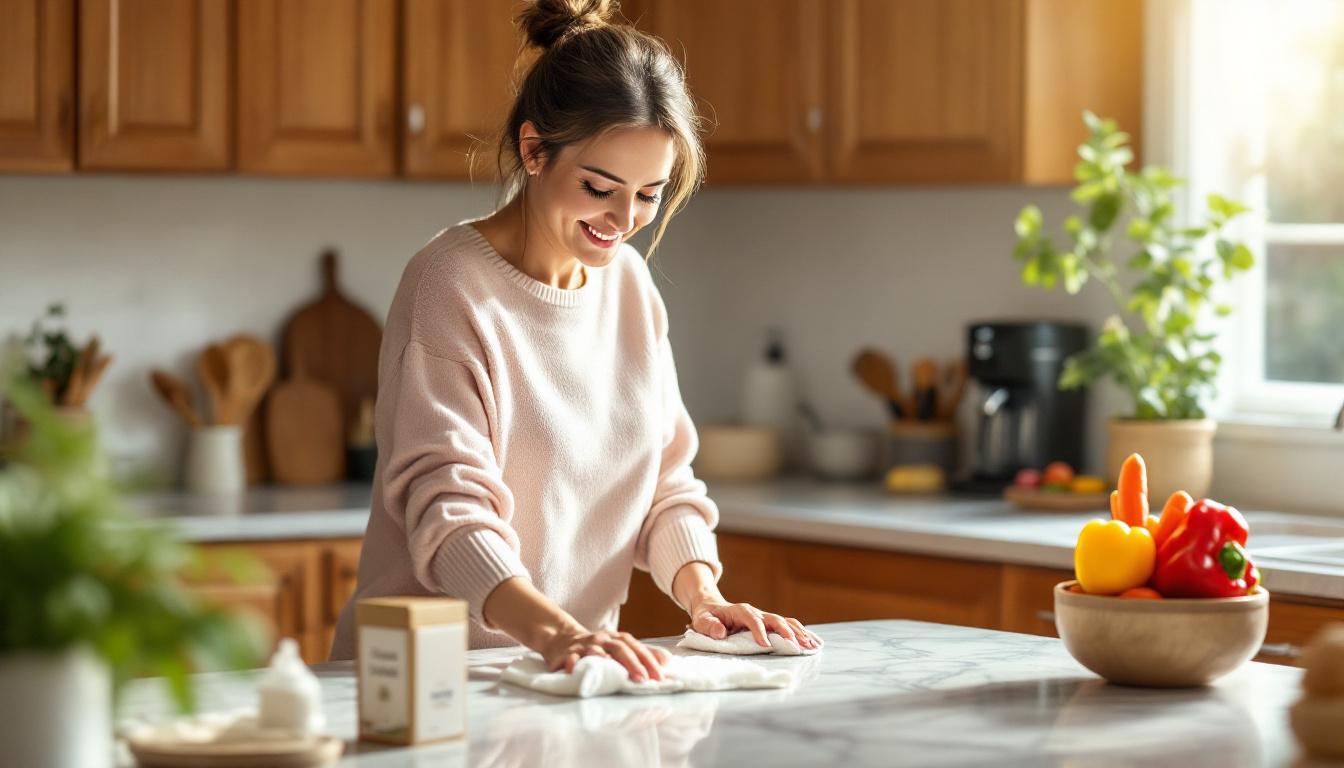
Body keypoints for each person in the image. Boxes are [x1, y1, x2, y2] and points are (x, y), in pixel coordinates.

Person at [330, 0, 817, 681]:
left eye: (649, 194)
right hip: (427, 683)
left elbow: (664, 484)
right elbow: (448, 509)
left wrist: (703, 595)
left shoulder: (628, 289)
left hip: (564, 676)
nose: (624, 221)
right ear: (534, 150)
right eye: (600, 187)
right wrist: (557, 633)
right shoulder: (450, 284)